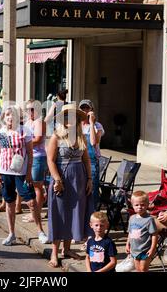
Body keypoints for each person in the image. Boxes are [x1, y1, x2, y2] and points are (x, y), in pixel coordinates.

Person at [46, 104, 94, 268]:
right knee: (59, 214)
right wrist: (57, 180)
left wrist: (89, 179)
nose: (69, 120)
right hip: (62, 179)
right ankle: (54, 252)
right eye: (66, 116)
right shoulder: (56, 137)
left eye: (73, 116)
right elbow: (50, 161)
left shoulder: (81, 137)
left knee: (74, 213)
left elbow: (86, 159)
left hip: (79, 179)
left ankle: (66, 250)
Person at [0, 105, 48, 246]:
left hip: (21, 173)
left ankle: (40, 231)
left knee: (31, 201)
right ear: (3, 117)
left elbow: (30, 153)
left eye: (12, 114)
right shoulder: (1, 132)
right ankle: (11, 233)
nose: (10, 117)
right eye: (7, 114)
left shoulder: (25, 131)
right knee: (9, 202)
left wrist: (29, 172)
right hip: (5, 172)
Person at [20, 100, 47, 223]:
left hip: (38, 157)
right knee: (31, 185)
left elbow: (37, 138)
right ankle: (34, 213)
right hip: (29, 156)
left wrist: (23, 143)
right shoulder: (28, 122)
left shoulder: (39, 122)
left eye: (32, 109)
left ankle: (37, 214)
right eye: (27, 109)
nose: (29, 112)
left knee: (37, 186)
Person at [79, 99, 105, 211]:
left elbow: (94, 142)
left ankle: (92, 213)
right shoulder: (77, 125)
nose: (85, 111)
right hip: (79, 159)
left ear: (91, 110)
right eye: (82, 108)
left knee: (93, 189)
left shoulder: (97, 126)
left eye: (87, 108)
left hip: (92, 160)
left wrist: (92, 123)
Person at [126, 190, 158, 272]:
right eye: (136, 205)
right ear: (132, 205)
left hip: (145, 250)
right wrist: (127, 244)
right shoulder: (132, 218)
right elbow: (130, 232)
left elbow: (154, 234)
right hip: (134, 250)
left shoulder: (149, 219)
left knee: (143, 269)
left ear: (147, 205)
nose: (139, 207)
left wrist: (152, 248)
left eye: (142, 205)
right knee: (138, 269)